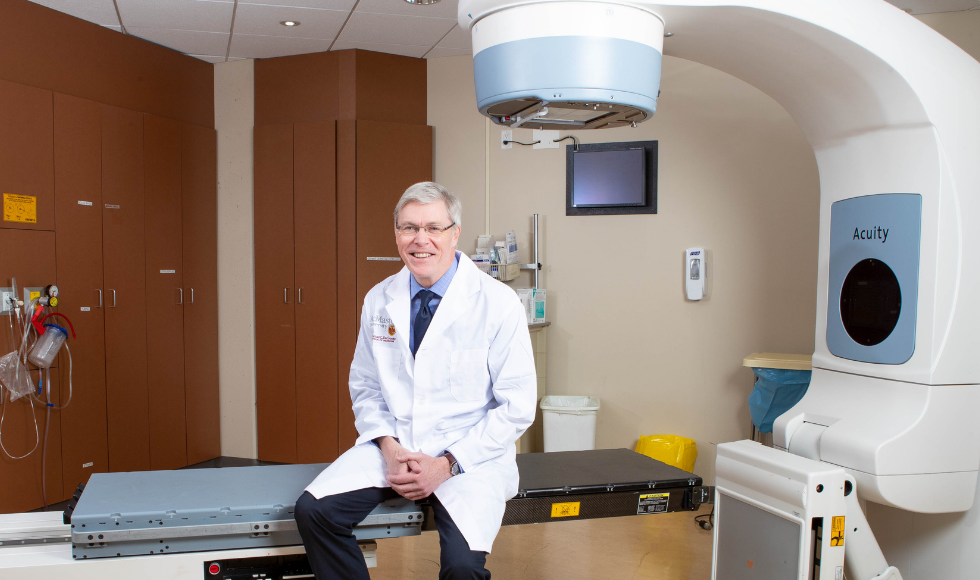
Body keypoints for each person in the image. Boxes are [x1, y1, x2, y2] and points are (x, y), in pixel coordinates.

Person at [295, 182, 537, 580]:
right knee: (315, 512)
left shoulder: (496, 302)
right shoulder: (380, 298)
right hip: (397, 444)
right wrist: (389, 448)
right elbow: (366, 386)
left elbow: (517, 406)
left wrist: (447, 464)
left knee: (462, 569)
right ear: (396, 234)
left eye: (433, 228)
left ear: (454, 233)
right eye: (408, 228)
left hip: (469, 457)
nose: (420, 240)